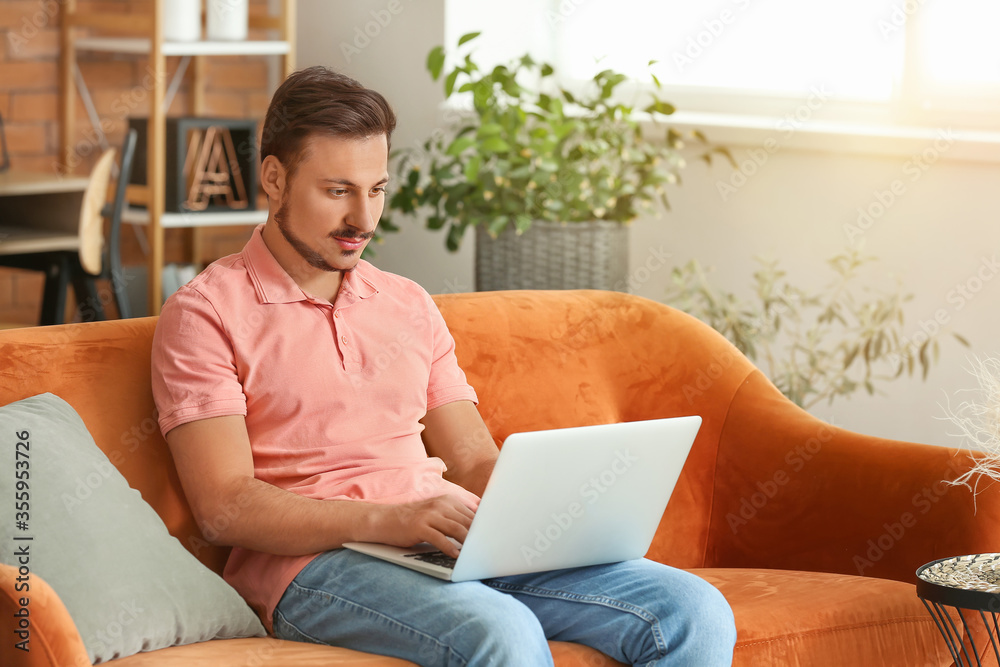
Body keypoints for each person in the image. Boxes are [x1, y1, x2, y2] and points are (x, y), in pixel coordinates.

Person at [151, 66, 736, 666]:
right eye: (337, 191)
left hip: (440, 543)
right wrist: (392, 519)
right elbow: (225, 507)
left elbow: (473, 460)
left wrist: (556, 511)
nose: (364, 219)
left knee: (691, 608)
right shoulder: (205, 313)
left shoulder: (407, 303)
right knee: (501, 633)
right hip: (311, 569)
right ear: (274, 179)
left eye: (376, 189)